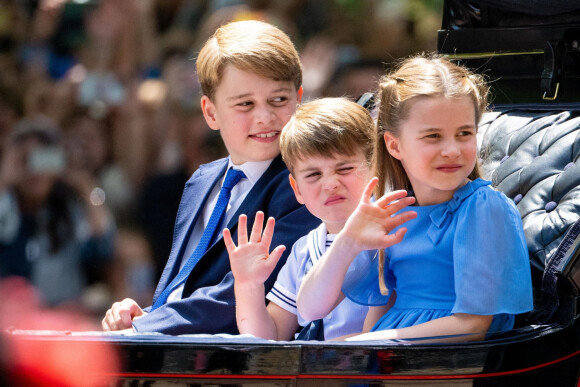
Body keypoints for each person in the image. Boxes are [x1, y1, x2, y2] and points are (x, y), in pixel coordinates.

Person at [101, 20, 319, 335]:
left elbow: (240, 296)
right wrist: (140, 315)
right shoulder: (202, 181)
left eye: (279, 100)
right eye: (245, 103)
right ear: (211, 113)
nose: (265, 116)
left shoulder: (303, 184)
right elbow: (189, 288)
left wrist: (146, 328)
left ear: (299, 98)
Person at [297, 53, 534, 342]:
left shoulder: (483, 208)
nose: (452, 150)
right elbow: (311, 309)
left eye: (464, 133)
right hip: (389, 355)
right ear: (395, 145)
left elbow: (472, 326)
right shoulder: (392, 211)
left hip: (443, 360)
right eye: (433, 136)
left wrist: (360, 343)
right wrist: (348, 240)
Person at [225, 97, 412, 341]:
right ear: (297, 189)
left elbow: (377, 336)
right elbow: (271, 338)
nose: (330, 184)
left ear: (375, 166)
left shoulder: (396, 231)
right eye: (313, 174)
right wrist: (248, 284)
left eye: (344, 169)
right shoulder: (304, 251)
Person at [0, 116, 116, 308]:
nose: (34, 171)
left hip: (62, 320)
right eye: (25, 160)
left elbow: (104, 246)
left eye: (42, 159)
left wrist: (85, 186)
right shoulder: (6, 205)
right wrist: (3, 180)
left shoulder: (68, 209)